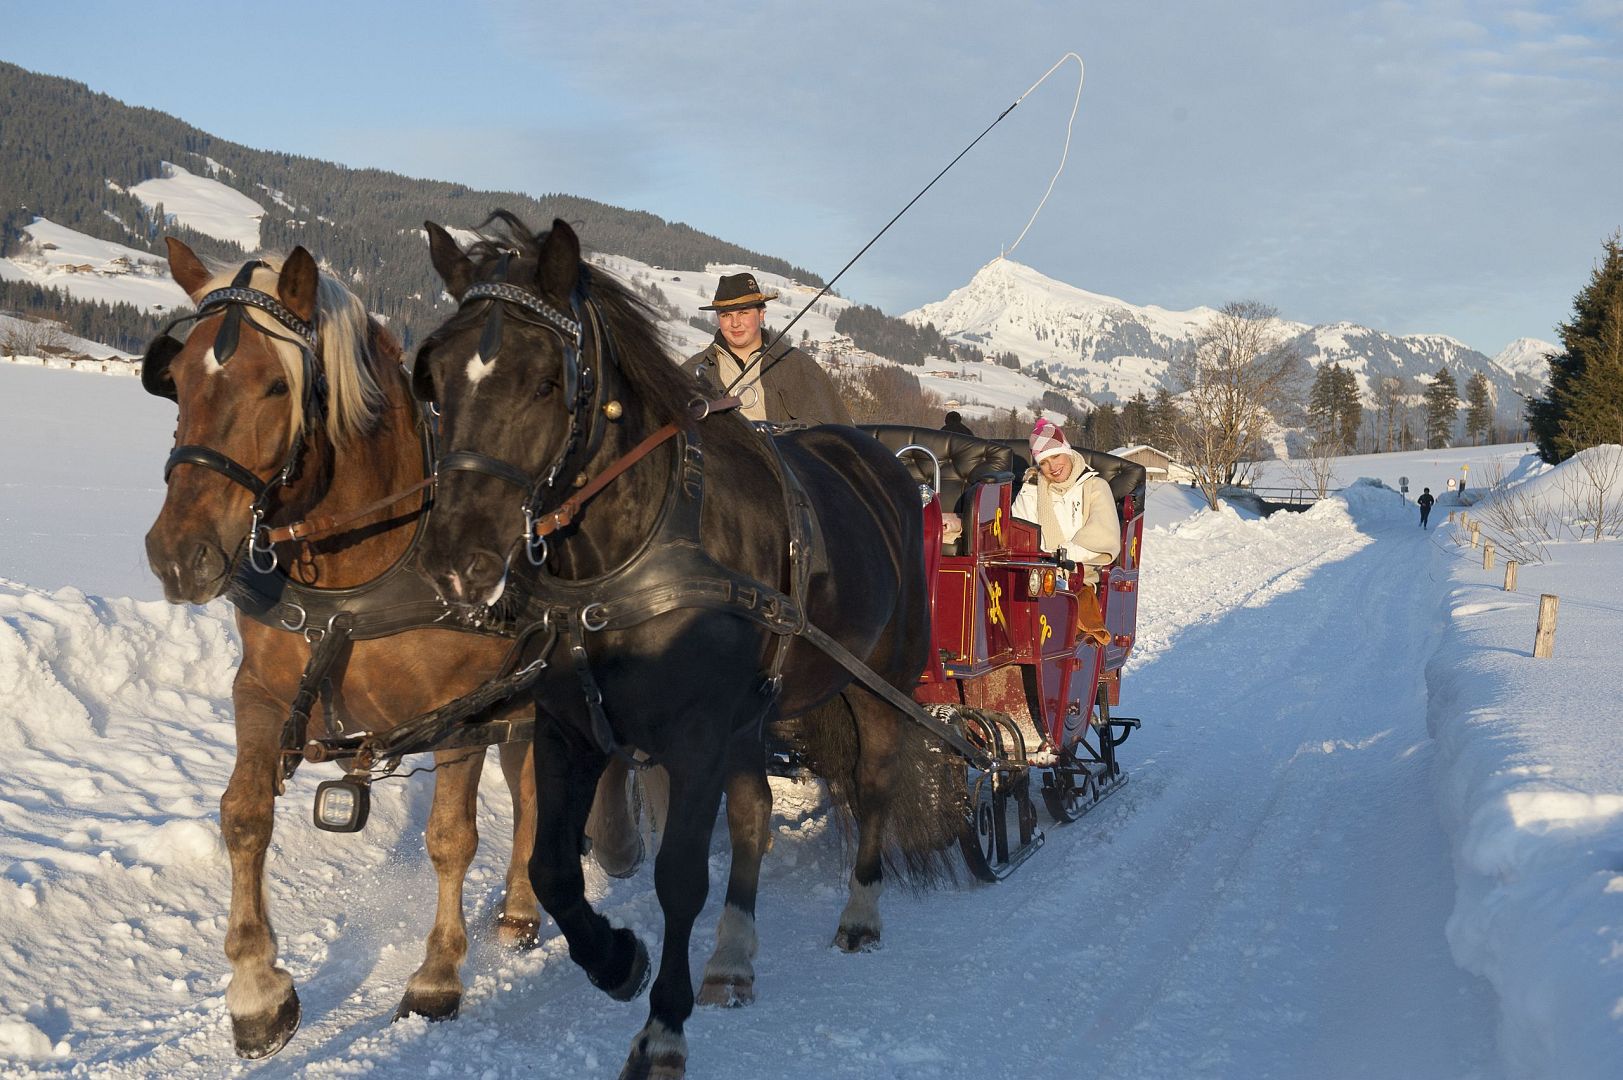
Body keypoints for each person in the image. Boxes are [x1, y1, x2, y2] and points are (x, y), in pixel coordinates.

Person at [684, 273, 850, 426]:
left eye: (743, 313)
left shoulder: (796, 365)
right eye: (726, 315)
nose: (735, 323)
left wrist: (775, 433)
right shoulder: (692, 371)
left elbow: (831, 430)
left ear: (761, 314)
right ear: (718, 318)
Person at [1011, 419, 1121, 646]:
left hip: (1077, 578)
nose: (1052, 467)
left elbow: (1103, 533)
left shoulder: (1095, 487)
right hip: (1036, 577)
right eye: (1044, 462)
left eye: (1056, 456)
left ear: (1067, 452)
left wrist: (1062, 556)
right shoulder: (1030, 491)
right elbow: (1019, 533)